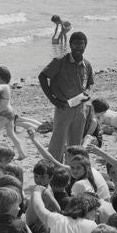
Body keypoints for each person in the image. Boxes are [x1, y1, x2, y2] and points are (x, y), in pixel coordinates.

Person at [39, 31, 94, 161]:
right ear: (70, 45)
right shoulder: (60, 62)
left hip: (80, 108)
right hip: (63, 108)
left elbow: (89, 85)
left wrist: (86, 95)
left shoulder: (87, 65)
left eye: (81, 45)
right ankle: (55, 170)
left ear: (85, 46)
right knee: (57, 143)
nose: (78, 48)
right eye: (75, 45)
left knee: (75, 145)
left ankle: (72, 172)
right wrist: (52, 99)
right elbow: (42, 76)